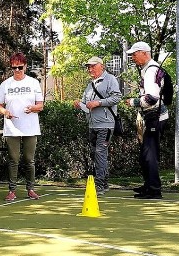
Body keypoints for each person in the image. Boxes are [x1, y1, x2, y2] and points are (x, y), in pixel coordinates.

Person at [0, 52, 44, 201]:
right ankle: (12, 191)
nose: (17, 70)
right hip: (11, 127)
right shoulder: (5, 84)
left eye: (20, 67)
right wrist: (5, 112)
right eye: (14, 68)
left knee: (29, 159)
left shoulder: (33, 83)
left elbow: (41, 106)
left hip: (30, 127)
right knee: (13, 159)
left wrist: (32, 108)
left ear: (26, 66)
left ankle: (31, 189)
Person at [72, 55, 122, 196]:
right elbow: (86, 106)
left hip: (105, 125)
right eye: (88, 66)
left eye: (93, 66)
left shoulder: (110, 79)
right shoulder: (90, 84)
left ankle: (99, 186)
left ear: (102, 66)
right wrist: (79, 104)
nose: (90, 69)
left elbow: (117, 97)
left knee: (100, 154)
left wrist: (98, 103)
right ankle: (104, 184)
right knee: (96, 154)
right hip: (92, 125)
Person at [125, 41, 169, 199]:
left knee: (149, 154)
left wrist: (133, 102)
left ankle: (153, 189)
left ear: (144, 53)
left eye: (134, 54)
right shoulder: (150, 69)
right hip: (152, 116)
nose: (132, 58)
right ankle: (148, 185)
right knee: (146, 154)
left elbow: (151, 98)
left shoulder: (151, 71)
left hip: (154, 117)